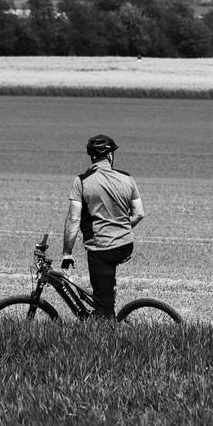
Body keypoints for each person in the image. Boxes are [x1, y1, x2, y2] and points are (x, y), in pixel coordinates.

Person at [62, 134, 144, 320]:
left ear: (92, 157)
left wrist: (67, 252)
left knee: (102, 313)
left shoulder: (82, 181)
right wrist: (121, 228)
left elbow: (74, 220)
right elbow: (139, 213)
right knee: (104, 293)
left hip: (101, 248)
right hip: (125, 245)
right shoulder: (127, 178)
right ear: (110, 156)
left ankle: (108, 328)